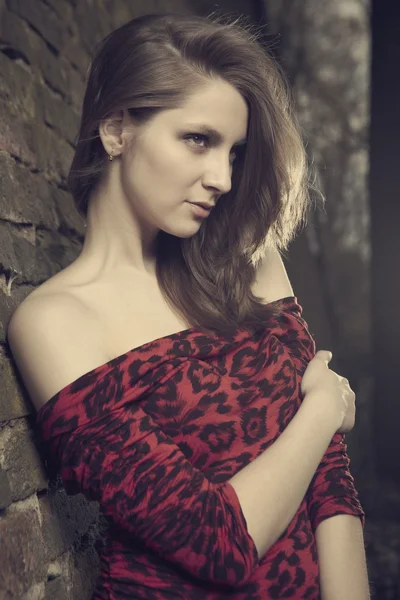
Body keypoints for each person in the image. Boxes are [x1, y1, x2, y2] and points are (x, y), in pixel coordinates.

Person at [7, 11, 370, 600]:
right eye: (198, 140)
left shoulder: (248, 264)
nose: (222, 178)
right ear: (117, 130)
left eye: (233, 152)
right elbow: (216, 542)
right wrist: (323, 408)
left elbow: (328, 479)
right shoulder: (55, 323)